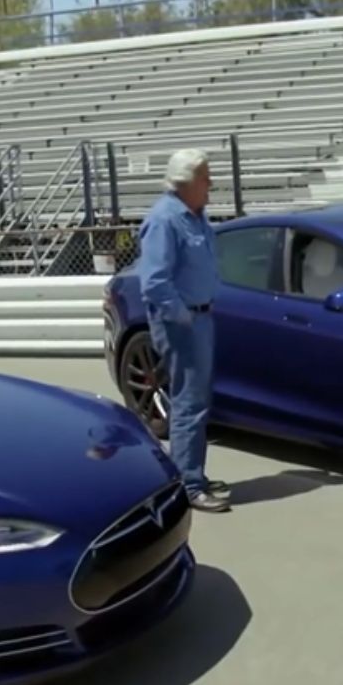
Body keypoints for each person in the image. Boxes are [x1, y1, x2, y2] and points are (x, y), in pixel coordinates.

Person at [136, 149, 230, 513]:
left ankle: (193, 474)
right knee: (189, 403)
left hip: (200, 317)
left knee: (195, 401)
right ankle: (188, 485)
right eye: (205, 176)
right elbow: (155, 281)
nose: (211, 183)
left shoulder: (195, 216)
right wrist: (183, 315)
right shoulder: (165, 220)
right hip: (182, 322)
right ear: (185, 181)